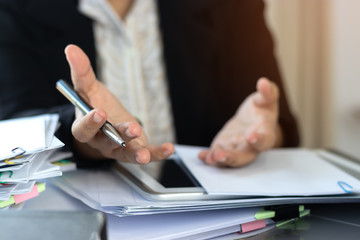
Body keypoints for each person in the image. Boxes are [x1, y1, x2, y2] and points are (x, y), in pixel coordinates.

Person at [0, 0, 299, 168]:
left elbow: (281, 123)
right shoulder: (13, 10)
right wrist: (87, 136)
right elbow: (12, 127)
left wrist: (262, 134)